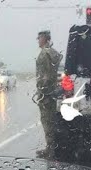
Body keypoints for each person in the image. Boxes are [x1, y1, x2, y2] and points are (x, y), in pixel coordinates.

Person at [35, 30, 63, 159]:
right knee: (50, 120)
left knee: (47, 120)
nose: (38, 40)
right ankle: (52, 148)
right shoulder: (52, 52)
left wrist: (42, 91)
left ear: (45, 39)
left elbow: (46, 75)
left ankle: (51, 150)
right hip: (51, 91)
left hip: (46, 92)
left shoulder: (45, 54)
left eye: (40, 38)